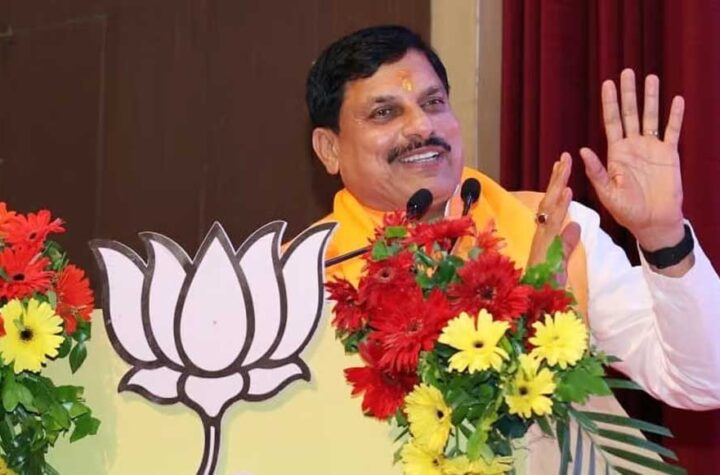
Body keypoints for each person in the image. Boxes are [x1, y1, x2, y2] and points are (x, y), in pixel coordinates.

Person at [305, 25, 720, 472]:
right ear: (329, 149)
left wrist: (664, 239)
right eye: (385, 113)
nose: (422, 126)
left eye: (434, 103)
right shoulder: (299, 281)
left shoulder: (555, 227)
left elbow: (702, 381)